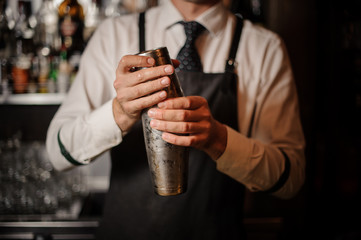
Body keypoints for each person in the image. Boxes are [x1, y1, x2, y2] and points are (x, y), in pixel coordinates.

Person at [46, 0, 306, 239]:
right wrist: (119, 113)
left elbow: (291, 179)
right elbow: (57, 153)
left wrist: (219, 140)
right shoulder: (113, 35)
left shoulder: (264, 47)